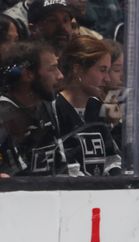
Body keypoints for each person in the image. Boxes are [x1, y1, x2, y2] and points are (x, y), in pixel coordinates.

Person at [55, 34, 121, 175]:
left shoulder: (97, 107)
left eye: (108, 71)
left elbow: (111, 159)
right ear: (77, 69)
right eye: (102, 70)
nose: (107, 79)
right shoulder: (54, 109)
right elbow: (63, 166)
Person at [0, 40, 64, 176]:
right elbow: (13, 177)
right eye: (52, 69)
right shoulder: (3, 114)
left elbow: (61, 166)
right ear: (28, 75)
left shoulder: (47, 108)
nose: (60, 76)